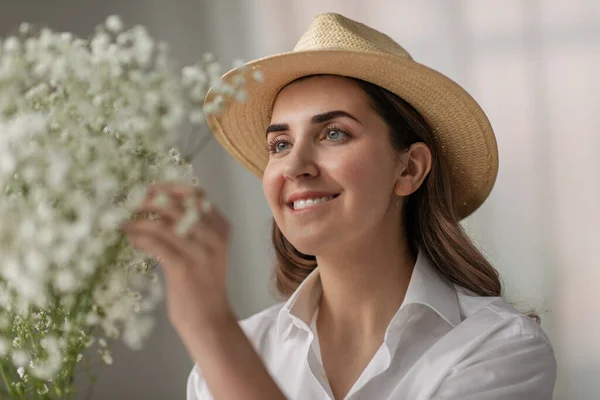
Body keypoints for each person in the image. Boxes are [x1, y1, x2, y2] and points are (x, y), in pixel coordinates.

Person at [121, 12, 557, 400]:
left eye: (333, 134)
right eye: (279, 143)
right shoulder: (233, 360)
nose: (294, 166)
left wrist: (210, 329)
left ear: (409, 170)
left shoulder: (498, 346)